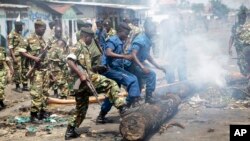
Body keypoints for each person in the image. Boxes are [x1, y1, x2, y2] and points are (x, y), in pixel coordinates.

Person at [64, 28, 127, 140]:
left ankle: (70, 131)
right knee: (111, 84)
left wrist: (97, 68)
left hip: (82, 82)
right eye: (91, 38)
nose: (92, 40)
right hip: (80, 81)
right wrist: (81, 74)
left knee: (81, 109)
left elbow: (84, 66)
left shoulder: (85, 48)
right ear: (86, 36)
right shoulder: (78, 46)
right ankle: (122, 108)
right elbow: (69, 61)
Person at [96, 23, 141, 124]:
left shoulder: (119, 41)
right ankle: (125, 107)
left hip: (115, 69)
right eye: (126, 33)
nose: (127, 35)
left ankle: (101, 116)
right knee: (133, 79)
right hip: (110, 70)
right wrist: (124, 56)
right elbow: (108, 53)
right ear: (120, 31)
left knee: (112, 93)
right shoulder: (113, 40)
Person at [19, 19, 51, 123]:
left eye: (45, 29)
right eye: (42, 28)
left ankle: (42, 112)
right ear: (36, 28)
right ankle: (33, 115)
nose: (44, 30)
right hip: (35, 71)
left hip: (45, 70)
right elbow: (21, 52)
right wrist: (34, 58)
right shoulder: (28, 38)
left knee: (45, 92)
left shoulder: (43, 40)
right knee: (36, 93)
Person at [127, 19, 166, 103]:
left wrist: (158, 66)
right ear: (146, 28)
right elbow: (133, 55)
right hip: (132, 63)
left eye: (154, 29)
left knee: (139, 82)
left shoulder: (148, 39)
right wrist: (142, 67)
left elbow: (147, 55)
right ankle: (148, 98)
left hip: (138, 62)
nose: (154, 31)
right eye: (152, 29)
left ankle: (132, 101)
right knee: (151, 75)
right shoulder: (140, 39)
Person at [48, 26, 69, 99]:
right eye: (58, 32)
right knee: (55, 77)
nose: (59, 33)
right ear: (55, 32)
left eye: (60, 32)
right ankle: (56, 92)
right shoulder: (51, 40)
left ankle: (64, 94)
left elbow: (66, 49)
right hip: (55, 62)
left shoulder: (64, 39)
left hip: (62, 62)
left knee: (63, 78)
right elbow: (49, 51)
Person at [8, 21, 29, 92]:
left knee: (24, 69)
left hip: (23, 55)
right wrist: (13, 58)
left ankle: (25, 85)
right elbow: (10, 47)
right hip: (17, 56)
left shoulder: (19, 34)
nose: (22, 28)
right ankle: (17, 86)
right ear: (17, 26)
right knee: (17, 71)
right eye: (21, 26)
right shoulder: (12, 34)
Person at [229, 5, 248, 73]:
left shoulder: (248, 26)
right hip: (239, 48)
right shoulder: (235, 27)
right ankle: (246, 74)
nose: (242, 19)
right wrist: (229, 48)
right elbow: (232, 37)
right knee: (240, 62)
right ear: (239, 17)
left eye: (244, 17)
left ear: (245, 17)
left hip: (247, 47)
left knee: (247, 61)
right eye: (241, 17)